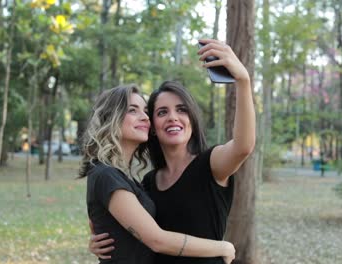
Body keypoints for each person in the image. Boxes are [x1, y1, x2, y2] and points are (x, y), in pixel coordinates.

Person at [90, 39, 256, 264]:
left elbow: (243, 146)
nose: (173, 117)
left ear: (192, 121)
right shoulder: (148, 182)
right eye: (161, 112)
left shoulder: (211, 164)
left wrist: (243, 81)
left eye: (181, 110)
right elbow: (138, 231)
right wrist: (97, 240)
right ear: (153, 128)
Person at [80, 84, 236, 264]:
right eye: (133, 110)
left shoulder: (128, 179)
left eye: (146, 111)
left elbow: (97, 224)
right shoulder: (105, 174)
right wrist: (222, 247)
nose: (145, 118)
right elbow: (157, 240)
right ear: (111, 118)